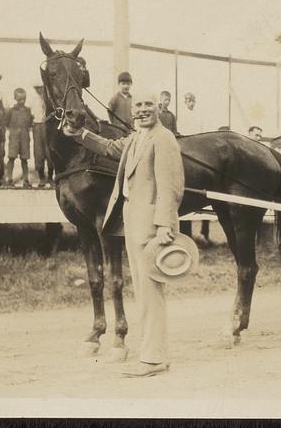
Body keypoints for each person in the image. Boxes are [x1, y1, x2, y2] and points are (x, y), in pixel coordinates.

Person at [66, 92, 184, 377]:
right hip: (132, 221)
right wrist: (79, 133)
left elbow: (171, 186)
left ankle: (154, 357)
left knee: (151, 292)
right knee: (143, 292)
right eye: (139, 105)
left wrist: (165, 225)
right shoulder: (135, 138)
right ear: (132, 111)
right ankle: (152, 353)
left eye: (149, 105)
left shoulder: (163, 138)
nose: (143, 110)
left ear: (159, 109)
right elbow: (108, 146)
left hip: (152, 227)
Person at [4, 88, 34, 188]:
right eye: (19, 99)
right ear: (15, 98)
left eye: (23, 99)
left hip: (25, 137)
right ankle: (9, 179)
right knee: (11, 157)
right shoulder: (11, 111)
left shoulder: (28, 111)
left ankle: (25, 180)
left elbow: (30, 123)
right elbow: (6, 123)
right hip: (14, 137)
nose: (22, 101)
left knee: (24, 159)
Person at [31, 82, 53, 187]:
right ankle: (41, 178)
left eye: (41, 88)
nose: (39, 90)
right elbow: (30, 114)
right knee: (38, 151)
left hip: (47, 126)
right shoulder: (33, 100)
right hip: (37, 126)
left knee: (49, 151)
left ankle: (50, 177)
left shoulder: (49, 99)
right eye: (37, 88)